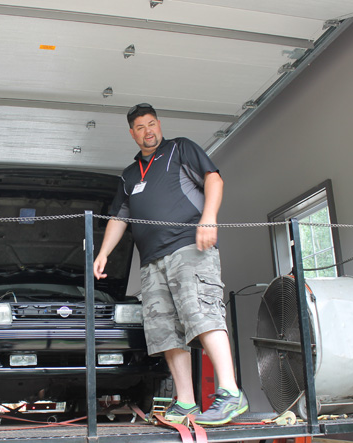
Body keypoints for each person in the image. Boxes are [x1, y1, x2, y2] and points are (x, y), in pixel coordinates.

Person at [93, 104, 248, 426]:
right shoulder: (129, 174)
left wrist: (208, 219)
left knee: (202, 314)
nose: (148, 131)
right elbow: (118, 218)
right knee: (165, 333)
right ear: (132, 132)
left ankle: (231, 393)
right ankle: (187, 403)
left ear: (158, 125)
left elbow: (214, 180)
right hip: (151, 263)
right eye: (140, 126)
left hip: (188, 248)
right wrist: (104, 252)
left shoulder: (180, 148)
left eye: (152, 124)